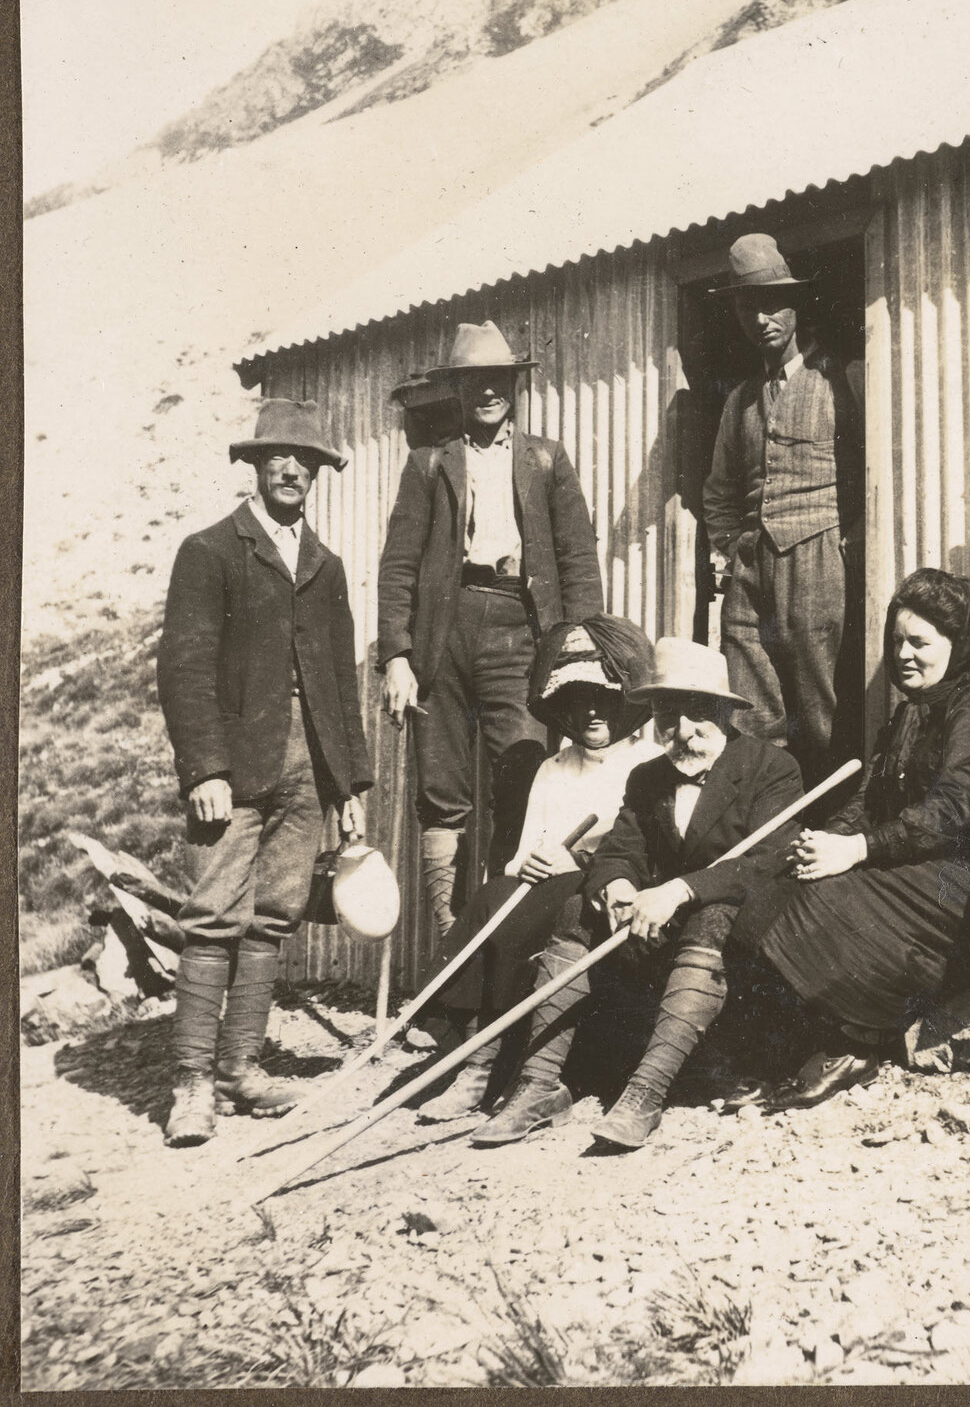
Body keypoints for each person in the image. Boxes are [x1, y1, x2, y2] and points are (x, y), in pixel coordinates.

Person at [478, 638, 803, 1150]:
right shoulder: (648, 776)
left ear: (724, 712)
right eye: (667, 717)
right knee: (572, 908)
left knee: (712, 914)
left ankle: (645, 1096)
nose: (683, 732)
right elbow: (618, 849)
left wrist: (678, 890)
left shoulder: (770, 768)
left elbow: (767, 863)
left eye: (697, 715)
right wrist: (618, 885)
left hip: (738, 933)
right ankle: (537, 1087)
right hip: (658, 925)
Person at [157, 399, 372, 1146]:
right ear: (254, 464)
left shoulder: (325, 565)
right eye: (278, 455)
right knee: (212, 915)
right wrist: (204, 769)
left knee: (273, 916)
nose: (291, 468)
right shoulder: (211, 550)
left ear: (317, 473)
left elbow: (342, 685)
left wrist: (349, 787)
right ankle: (190, 1083)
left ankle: (239, 1069)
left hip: (307, 769)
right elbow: (182, 670)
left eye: (305, 459)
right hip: (233, 768)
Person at [729, 568, 970, 1112]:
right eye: (896, 641)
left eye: (920, 642)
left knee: (821, 904)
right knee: (779, 887)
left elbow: (951, 811)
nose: (904, 654)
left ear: (958, 648)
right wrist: (824, 843)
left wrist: (856, 851)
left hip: (966, 885)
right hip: (913, 864)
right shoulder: (908, 713)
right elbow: (866, 801)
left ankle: (855, 1045)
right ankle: (790, 1047)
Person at [377, 321, 604, 938]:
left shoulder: (546, 459)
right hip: (445, 630)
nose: (488, 393)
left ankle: (503, 935)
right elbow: (398, 563)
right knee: (442, 786)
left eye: (497, 380)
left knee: (524, 773)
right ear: (458, 389)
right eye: (475, 381)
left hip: (521, 630)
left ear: (514, 384)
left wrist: (582, 649)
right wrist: (397, 653)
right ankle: (451, 945)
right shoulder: (428, 464)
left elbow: (578, 557)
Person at [414, 614, 661, 1122]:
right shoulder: (554, 768)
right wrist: (528, 863)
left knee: (524, 905)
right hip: (546, 881)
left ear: (624, 701)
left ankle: (485, 1065)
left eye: (603, 698)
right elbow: (525, 849)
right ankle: (470, 1055)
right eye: (577, 700)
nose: (592, 712)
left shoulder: (648, 764)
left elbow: (646, 852)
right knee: (493, 896)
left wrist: (578, 859)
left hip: (604, 889)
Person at [702, 233, 863, 787]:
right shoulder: (740, 399)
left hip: (818, 556)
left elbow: (868, 467)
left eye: (772, 304)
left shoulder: (841, 379)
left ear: (797, 306)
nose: (761, 319)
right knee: (748, 706)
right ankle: (766, 827)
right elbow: (719, 492)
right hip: (749, 566)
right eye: (749, 307)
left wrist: (851, 540)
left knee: (820, 707)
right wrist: (728, 549)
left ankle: (829, 824)